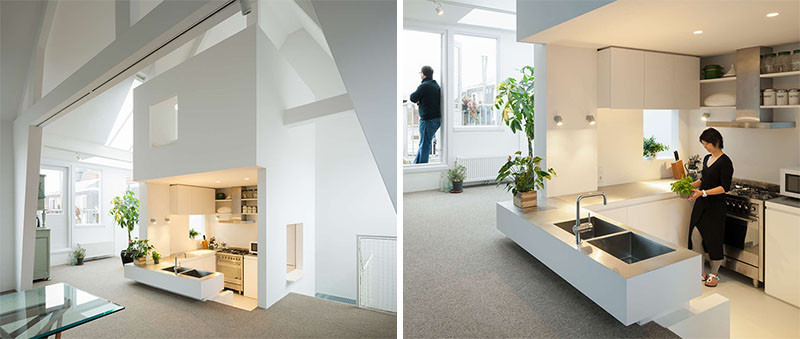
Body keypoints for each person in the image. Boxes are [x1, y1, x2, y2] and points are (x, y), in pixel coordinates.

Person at [687, 128, 733, 288]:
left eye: (707, 144)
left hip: (715, 206)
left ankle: (714, 273)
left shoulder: (725, 161)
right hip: (702, 204)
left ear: (716, 142)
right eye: (704, 144)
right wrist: (689, 185)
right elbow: (704, 179)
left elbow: (724, 187)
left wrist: (704, 192)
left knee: (714, 240)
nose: (705, 147)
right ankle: (700, 271)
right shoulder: (707, 158)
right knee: (695, 238)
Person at [410, 65, 441, 164]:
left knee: (424, 145)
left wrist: (419, 100)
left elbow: (413, 97)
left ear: (423, 74)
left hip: (427, 120)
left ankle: (422, 167)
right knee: (424, 143)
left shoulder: (424, 86)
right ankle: (416, 165)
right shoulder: (436, 85)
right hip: (436, 119)